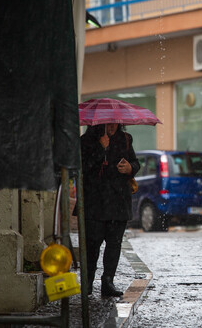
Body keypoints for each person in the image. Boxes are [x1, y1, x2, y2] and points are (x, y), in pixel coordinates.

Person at [81, 123, 140, 296]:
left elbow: (135, 162)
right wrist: (101, 148)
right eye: (108, 122)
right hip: (95, 202)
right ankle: (88, 281)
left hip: (118, 201)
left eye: (115, 122)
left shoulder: (125, 140)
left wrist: (131, 168)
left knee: (114, 244)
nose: (112, 126)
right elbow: (83, 167)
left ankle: (108, 282)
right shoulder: (86, 141)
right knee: (92, 245)